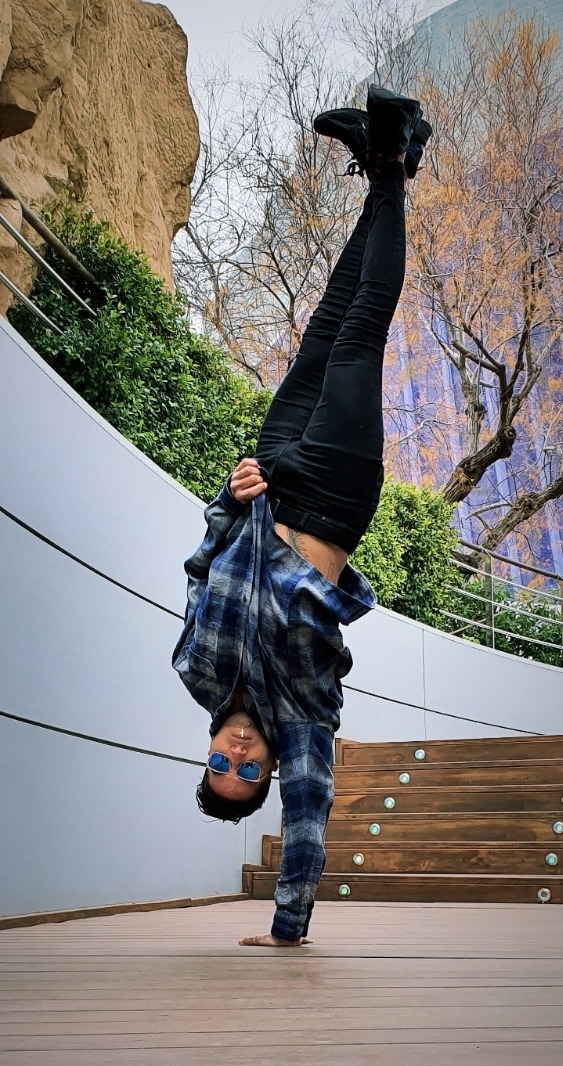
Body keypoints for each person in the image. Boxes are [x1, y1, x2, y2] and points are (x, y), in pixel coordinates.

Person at [172, 87, 431, 947]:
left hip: (274, 476)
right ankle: (390, 163)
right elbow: (310, 823)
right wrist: (287, 927)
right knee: (360, 334)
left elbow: (201, 567)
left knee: (322, 327)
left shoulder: (194, 671)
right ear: (269, 769)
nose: (238, 756)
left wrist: (231, 496)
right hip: (335, 494)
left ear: (208, 750)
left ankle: (387, 163)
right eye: (247, 772)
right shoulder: (302, 722)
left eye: (221, 764)